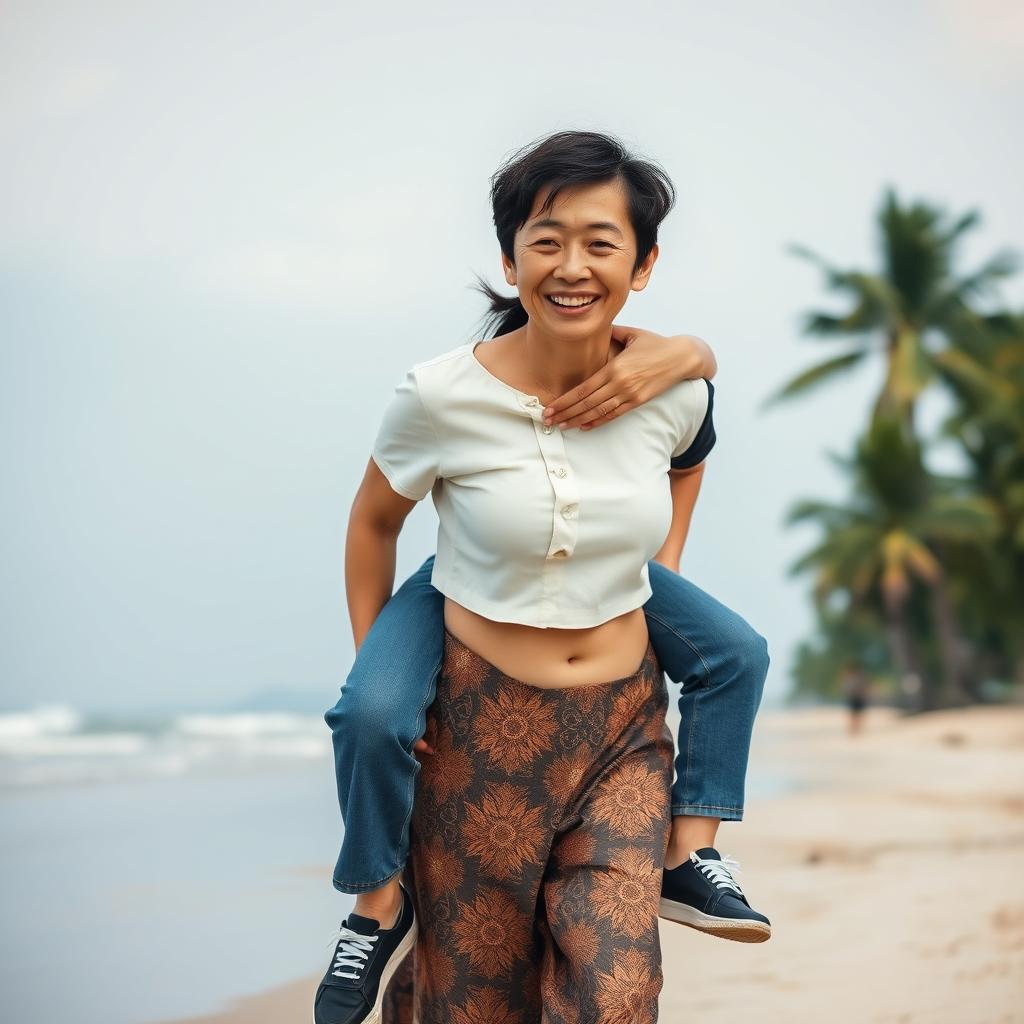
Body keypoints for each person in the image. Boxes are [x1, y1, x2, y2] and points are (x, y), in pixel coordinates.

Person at [315, 130, 771, 1024]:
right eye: (547, 238)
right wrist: (388, 677)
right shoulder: (441, 395)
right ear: (509, 256)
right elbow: (374, 524)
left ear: (641, 266)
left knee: (616, 993)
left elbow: (693, 456)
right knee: (471, 990)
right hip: (475, 695)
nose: (572, 265)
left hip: (618, 729)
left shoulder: (671, 388)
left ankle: (694, 852)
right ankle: (375, 903)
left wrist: (662, 570)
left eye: (602, 243)